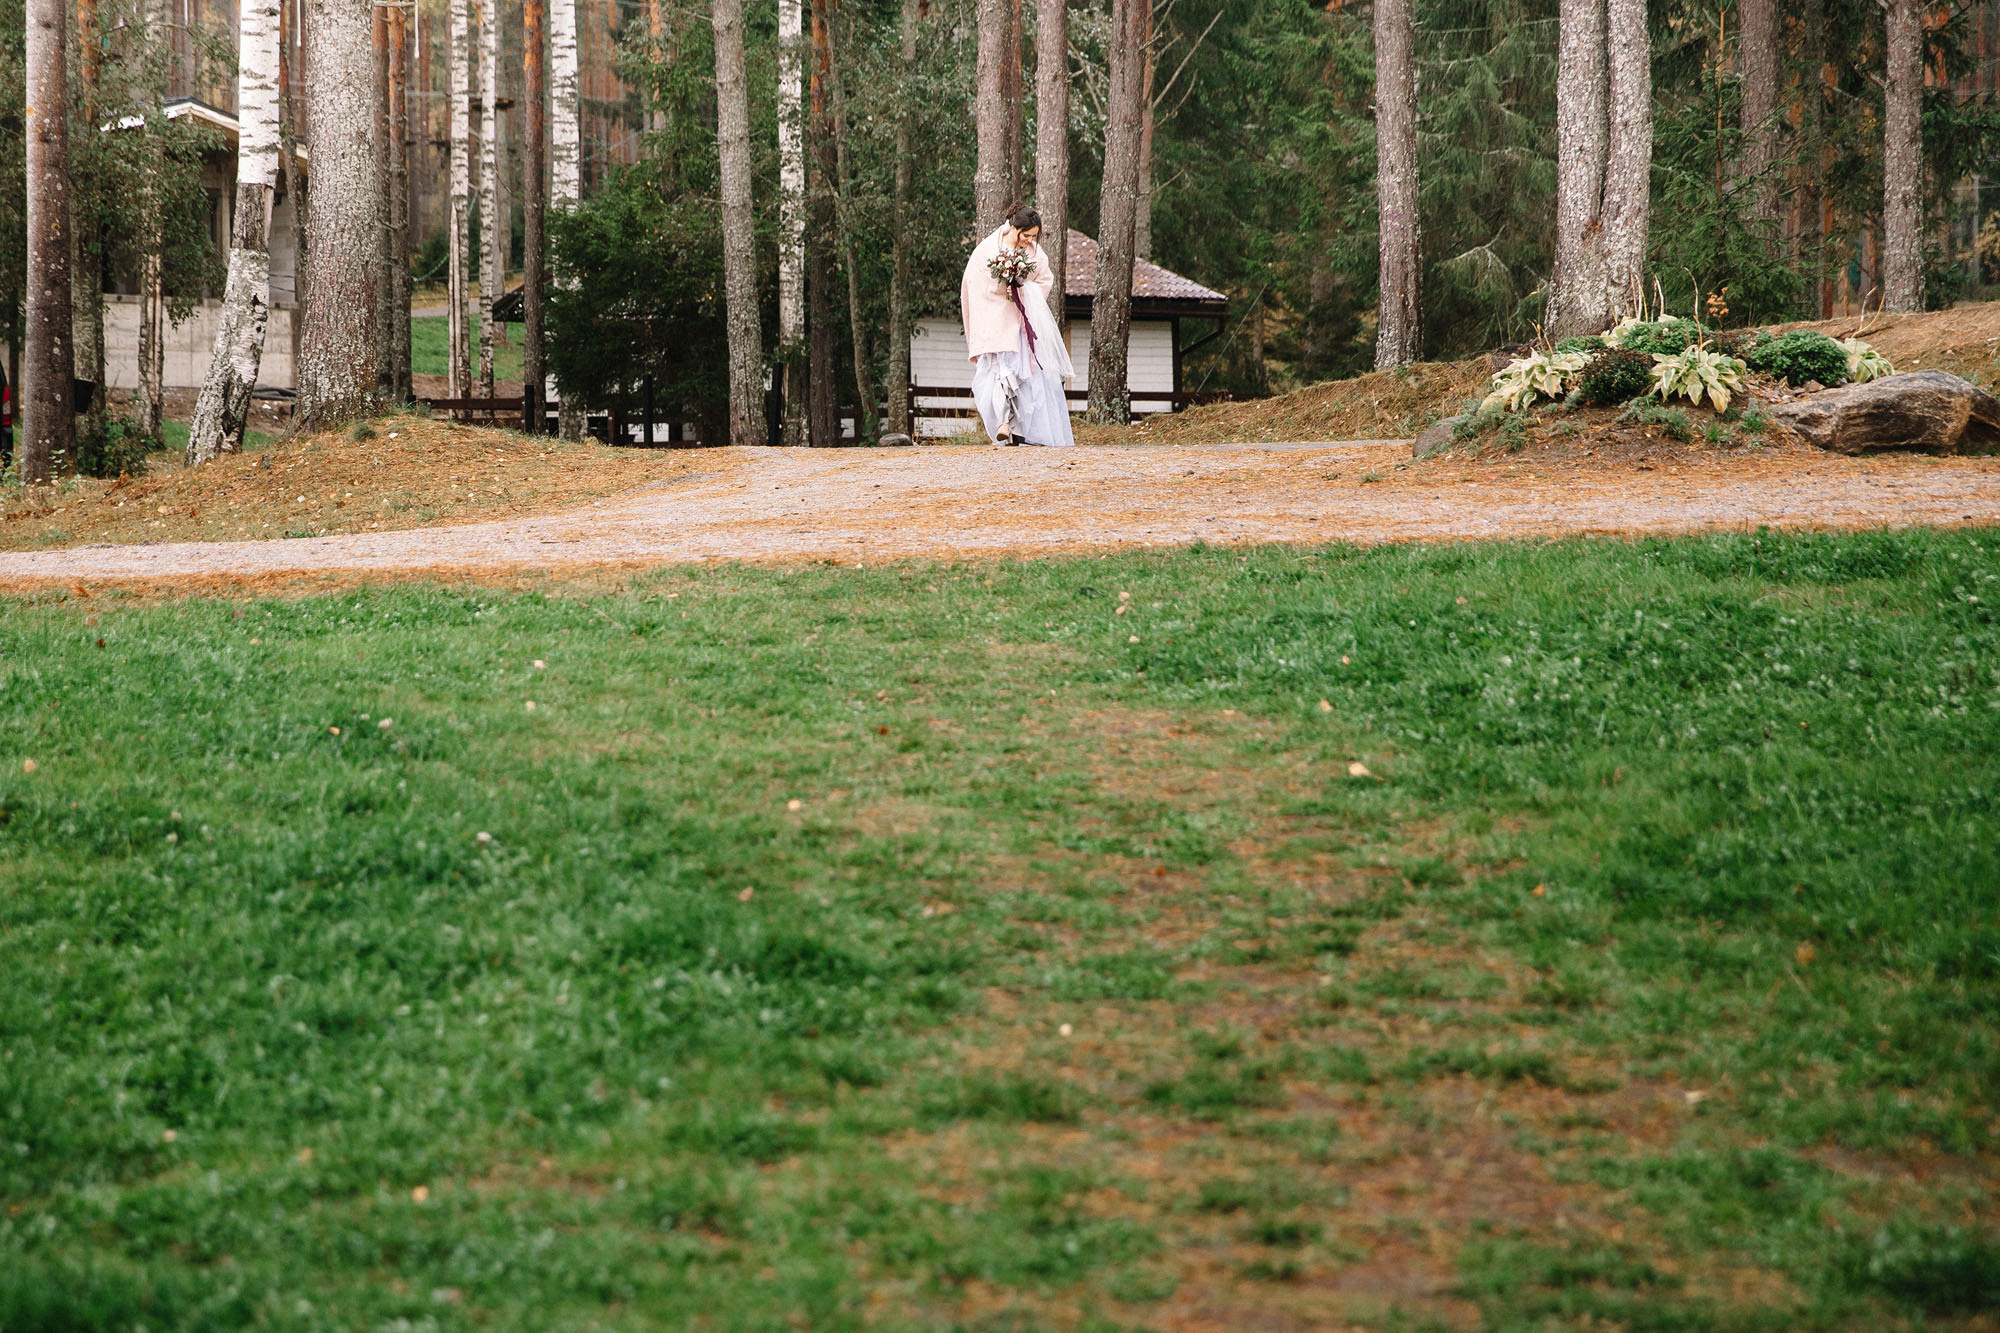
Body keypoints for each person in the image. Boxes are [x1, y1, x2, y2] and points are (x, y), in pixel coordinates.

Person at [959, 205, 1075, 447]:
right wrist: (1001, 289)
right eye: (1026, 235)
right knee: (1000, 371)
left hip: (1020, 321)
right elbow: (974, 282)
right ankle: (1003, 423)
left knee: (1026, 376)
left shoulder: (1034, 252)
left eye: (1034, 236)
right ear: (1014, 228)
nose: (1030, 241)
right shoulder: (989, 249)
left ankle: (1022, 430)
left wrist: (1026, 291)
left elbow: (1044, 278)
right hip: (995, 320)